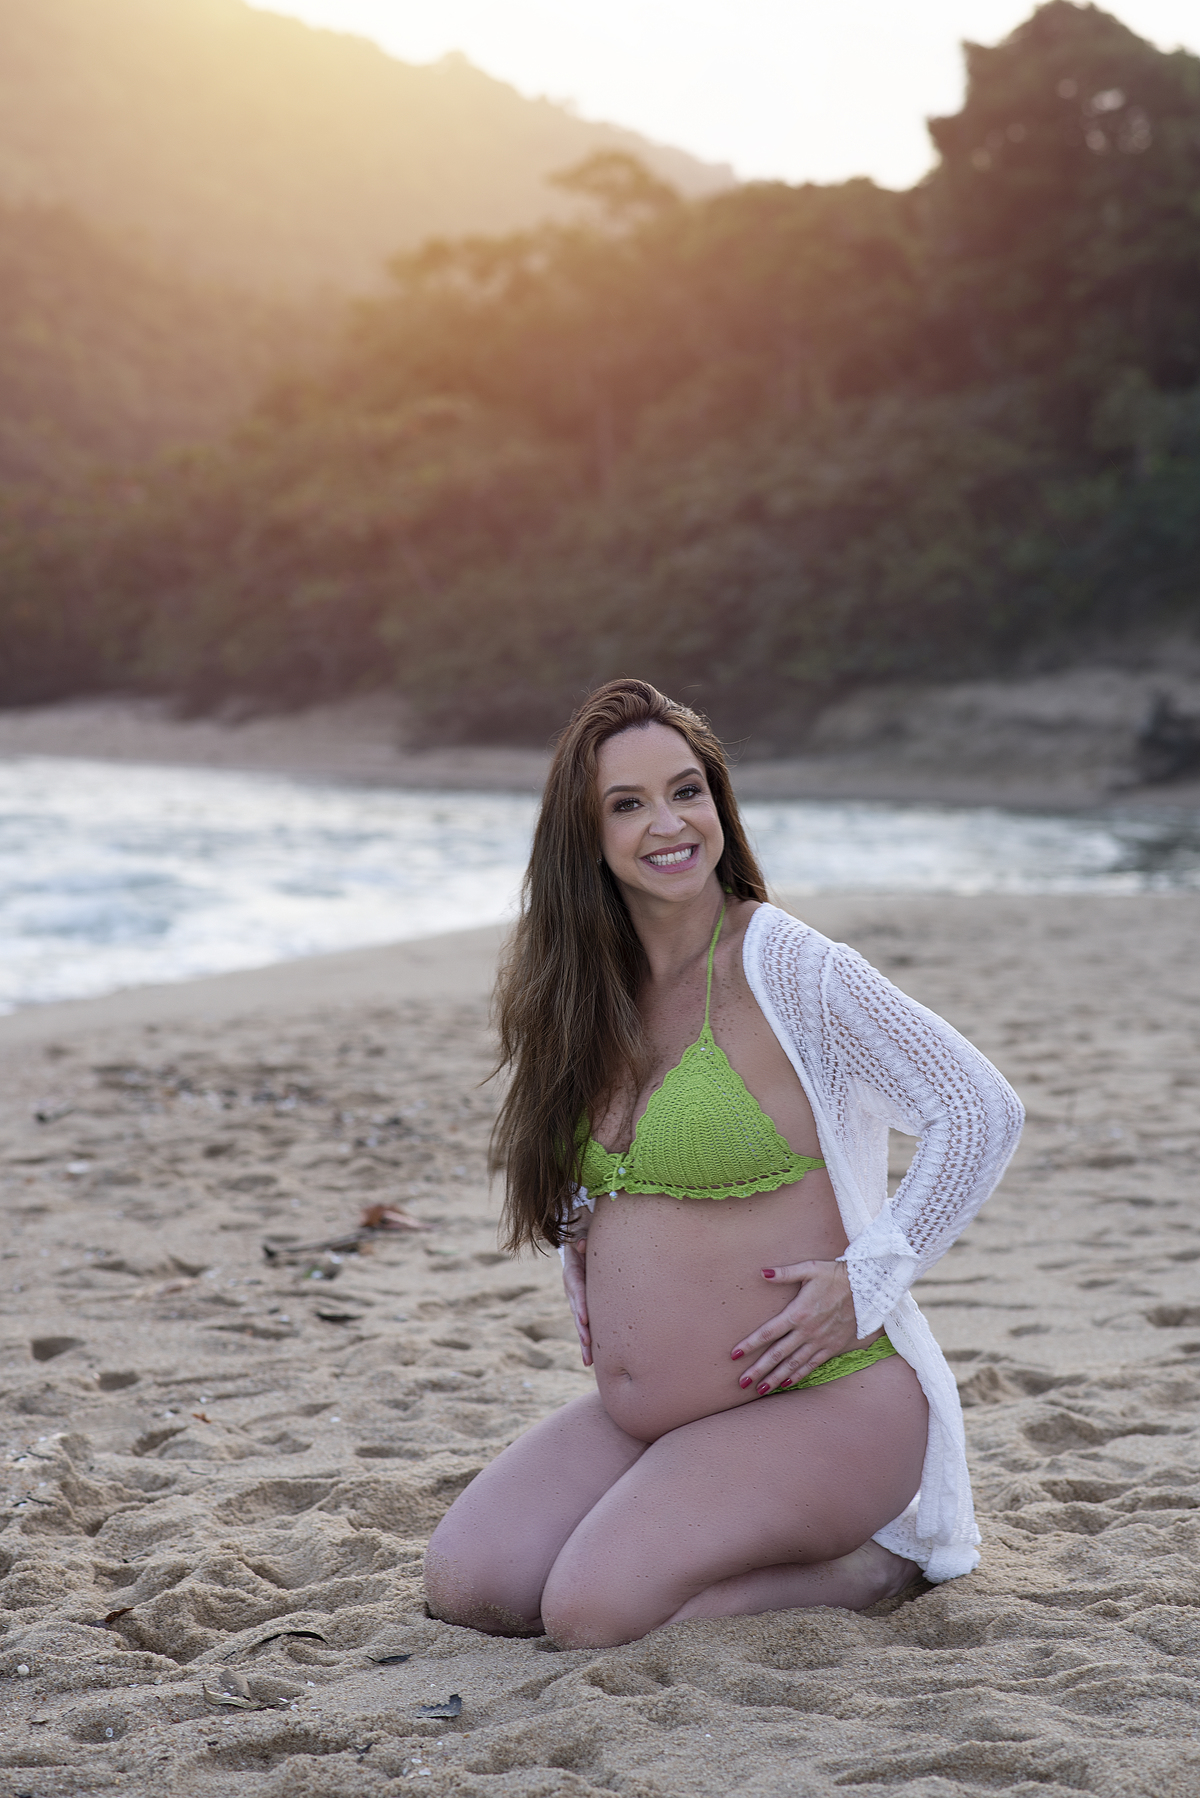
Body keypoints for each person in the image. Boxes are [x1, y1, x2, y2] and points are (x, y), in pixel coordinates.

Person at [425, 678, 1023, 1649]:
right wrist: (585, 1249)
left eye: (687, 789)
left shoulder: (787, 964)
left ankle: (879, 1562)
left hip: (827, 1401)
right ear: (585, 836)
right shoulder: (589, 989)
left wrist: (868, 1277)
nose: (668, 822)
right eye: (628, 803)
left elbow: (980, 1110)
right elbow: (608, 1174)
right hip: (660, 1420)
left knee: (589, 1611)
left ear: (719, 803)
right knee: (471, 1581)